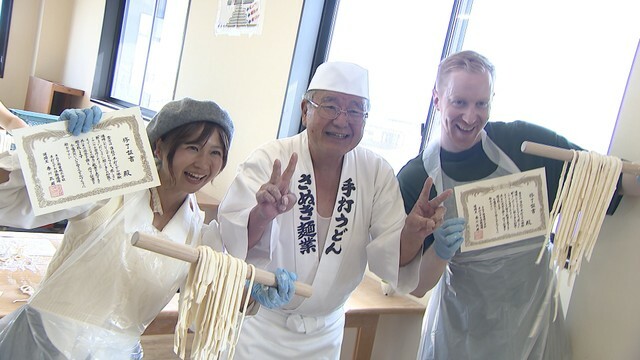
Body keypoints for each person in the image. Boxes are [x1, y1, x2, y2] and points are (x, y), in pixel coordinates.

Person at [0, 98, 295, 359]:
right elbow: (11, 199)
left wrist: (257, 294)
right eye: (193, 147)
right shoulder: (111, 188)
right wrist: (55, 149)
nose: (203, 164)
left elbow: (209, 306)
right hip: (44, 342)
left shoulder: (198, 233)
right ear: (160, 145)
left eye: (216, 153)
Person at [397, 50, 640, 360]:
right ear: (437, 98)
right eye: (459, 102)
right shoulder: (417, 178)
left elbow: (604, 177)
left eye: (481, 104)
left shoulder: (523, 146)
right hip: (461, 337)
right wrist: (439, 251)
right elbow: (415, 286)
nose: (471, 117)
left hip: (536, 330)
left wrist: (633, 178)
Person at [217, 61, 452, 359]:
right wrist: (262, 215)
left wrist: (414, 234)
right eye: (331, 106)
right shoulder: (270, 159)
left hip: (325, 335)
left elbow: (392, 259)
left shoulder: (375, 172)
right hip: (260, 327)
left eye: (355, 110)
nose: (343, 121)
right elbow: (232, 242)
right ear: (305, 110)